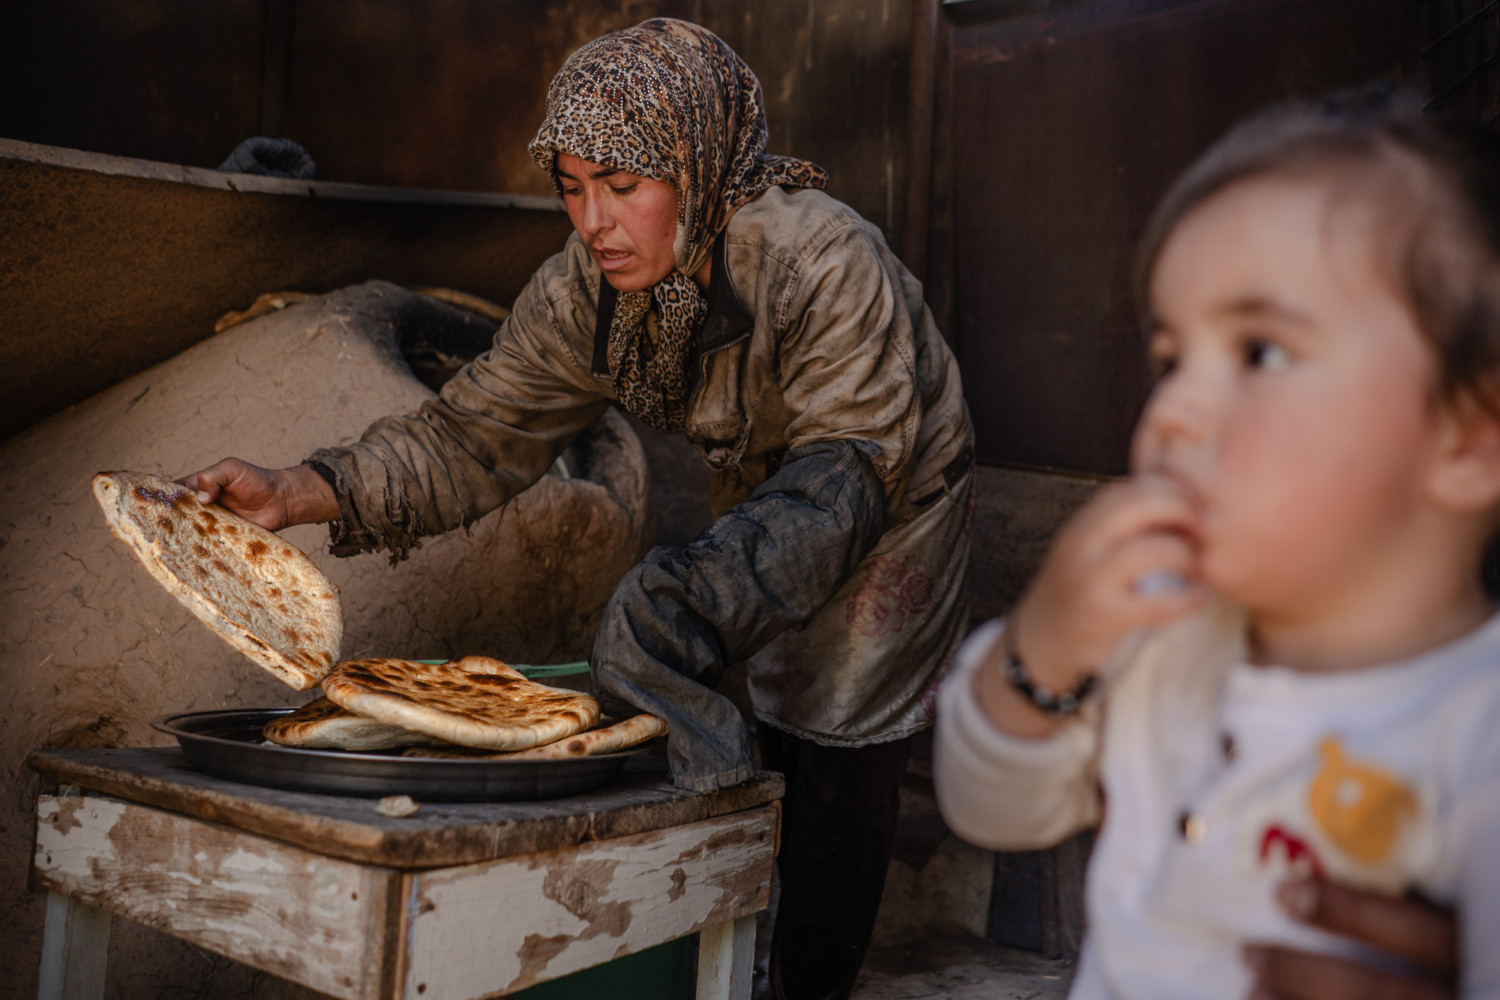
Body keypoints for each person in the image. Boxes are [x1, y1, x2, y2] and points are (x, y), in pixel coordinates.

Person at [181, 19, 973, 1000]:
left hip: (891, 488)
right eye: (572, 184)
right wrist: (297, 489)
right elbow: (473, 438)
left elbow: (846, 482)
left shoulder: (821, 260)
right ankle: (718, 932)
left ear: (699, 164)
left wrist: (684, 594)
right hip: (768, 474)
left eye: (624, 184)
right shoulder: (583, 293)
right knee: (750, 695)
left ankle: (805, 977)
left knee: (840, 720)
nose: (593, 220)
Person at [932, 89, 1500, 998]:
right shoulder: (1164, 636)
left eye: (1261, 352)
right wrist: (1042, 649)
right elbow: (989, 806)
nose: (1170, 415)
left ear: (1471, 437)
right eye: (1169, 360)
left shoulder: (1478, 737)